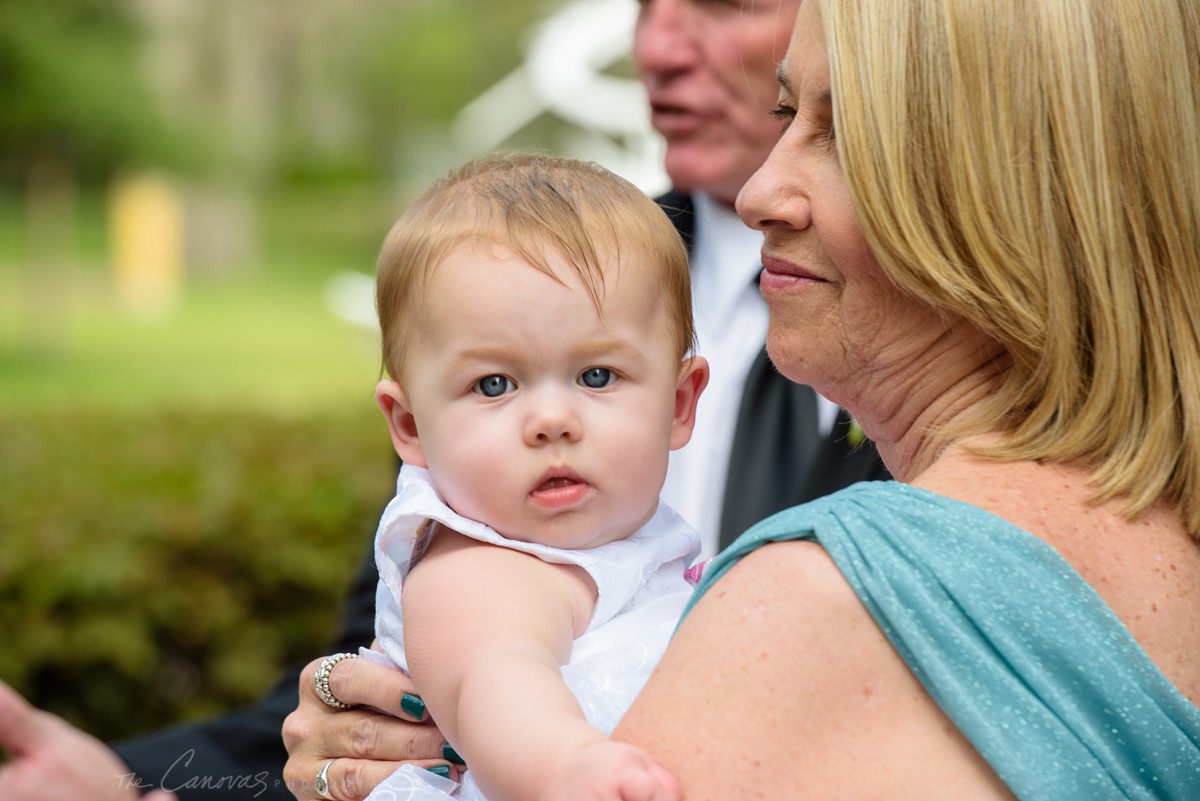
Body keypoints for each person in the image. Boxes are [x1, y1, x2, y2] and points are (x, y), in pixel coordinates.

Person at [0, 2, 888, 799]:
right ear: (412, 424)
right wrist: (134, 783)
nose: (655, 43)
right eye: (646, 1)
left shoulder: (976, 338)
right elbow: (392, 691)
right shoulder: (492, 292)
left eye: (725, 1)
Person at [607, 0, 1200, 797]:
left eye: (847, 134)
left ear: (1018, 191)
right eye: (785, 113)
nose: (760, 193)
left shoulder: (815, 607)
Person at [361, 151, 707, 801]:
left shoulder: (623, 547)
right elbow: (494, 675)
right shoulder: (478, 565)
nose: (551, 420)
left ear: (680, 403)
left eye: (596, 375)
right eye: (494, 384)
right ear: (409, 425)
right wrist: (569, 767)